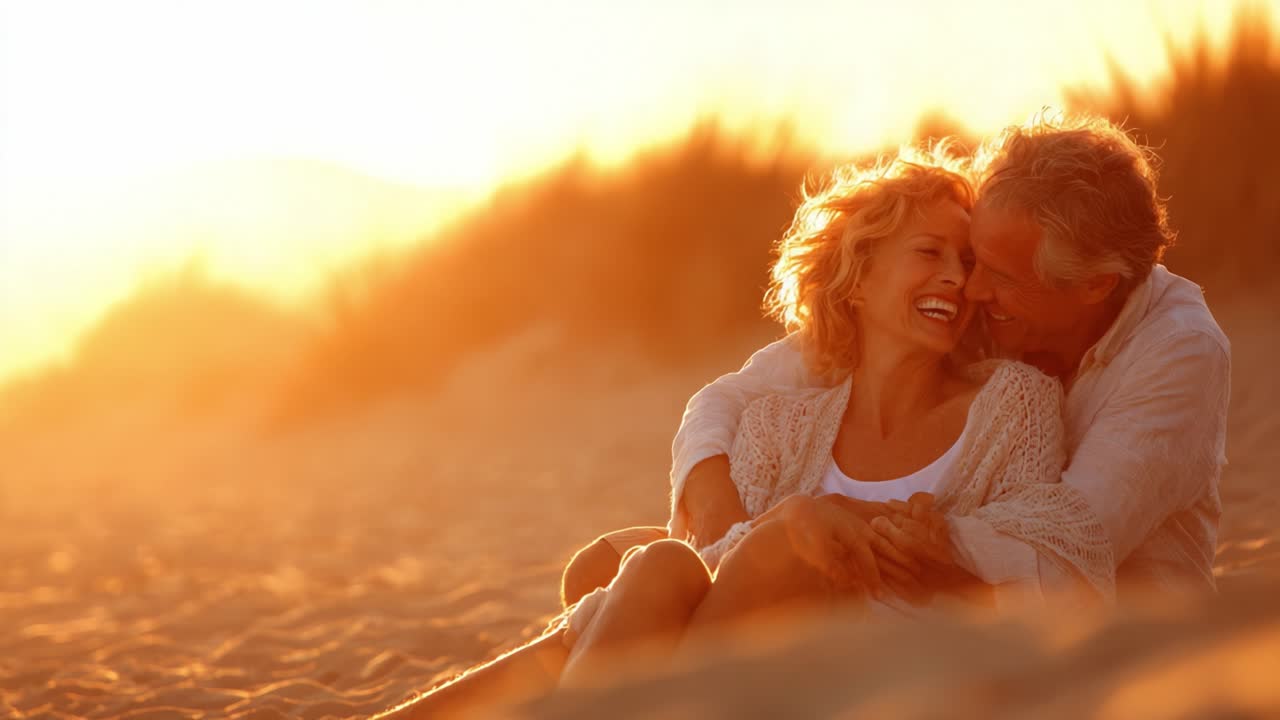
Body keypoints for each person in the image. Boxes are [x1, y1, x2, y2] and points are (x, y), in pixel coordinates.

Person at [378, 134, 1120, 717]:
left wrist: (937, 560)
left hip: (881, 676)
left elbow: (1041, 562)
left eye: (966, 262)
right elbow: (723, 547)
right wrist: (835, 518)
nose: (958, 280)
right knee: (664, 567)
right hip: (742, 679)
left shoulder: (1014, 404)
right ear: (857, 278)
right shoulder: (780, 426)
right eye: (930, 254)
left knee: (696, 561)